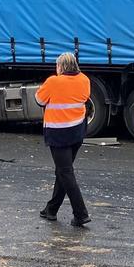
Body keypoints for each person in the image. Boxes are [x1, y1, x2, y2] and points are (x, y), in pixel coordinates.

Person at [35, 52, 92, 227]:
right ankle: (51, 209)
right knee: (63, 171)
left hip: (59, 134)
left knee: (65, 173)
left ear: (60, 66)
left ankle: (81, 214)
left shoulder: (53, 81)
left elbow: (39, 99)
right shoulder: (84, 80)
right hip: (77, 132)